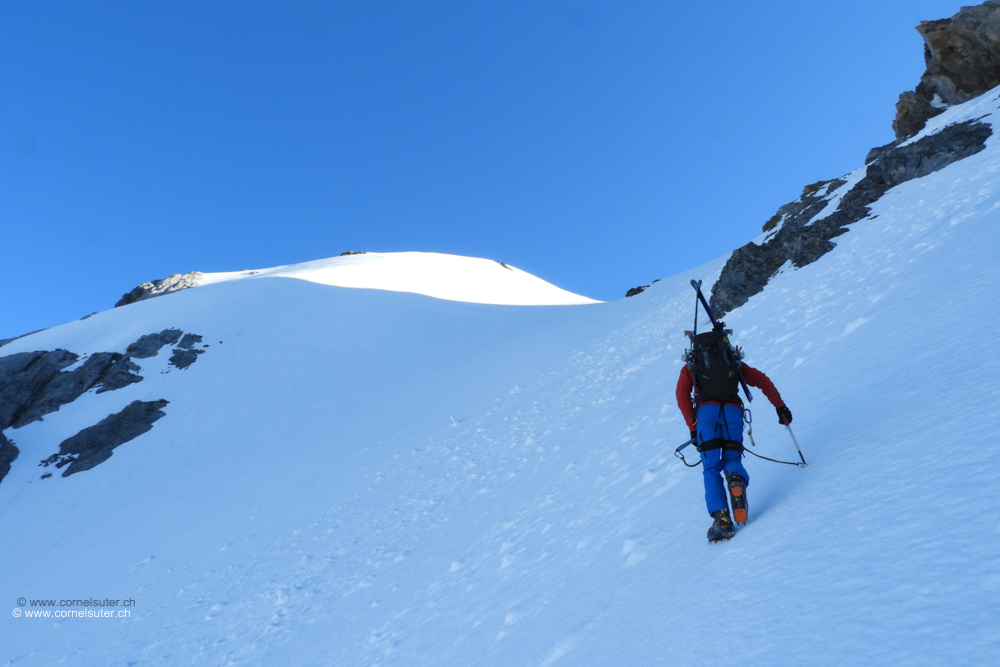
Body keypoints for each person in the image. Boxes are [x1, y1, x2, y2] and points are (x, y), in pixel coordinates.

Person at [675, 323, 792, 542]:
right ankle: (736, 479)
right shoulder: (732, 361)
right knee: (732, 458)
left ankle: (722, 521)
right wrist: (780, 407)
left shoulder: (692, 366)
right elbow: (762, 380)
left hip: (706, 415)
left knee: (711, 467)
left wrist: (693, 427)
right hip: (732, 412)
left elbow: (682, 395)